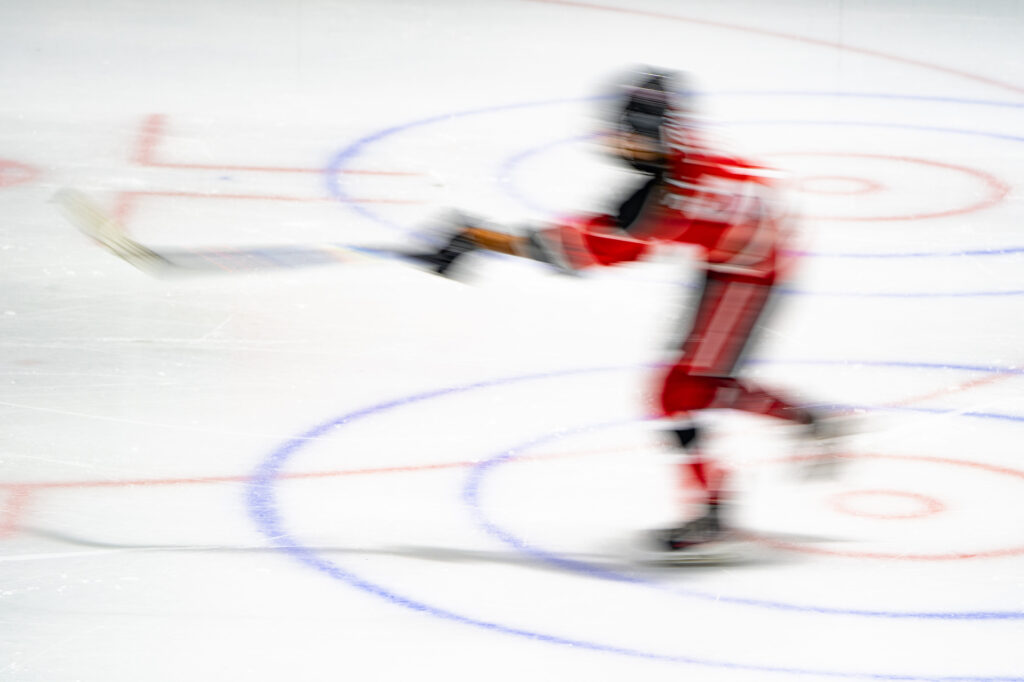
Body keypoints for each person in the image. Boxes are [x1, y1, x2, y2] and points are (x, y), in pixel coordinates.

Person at [410, 67, 835, 557]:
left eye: (629, 134)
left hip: (753, 268)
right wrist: (480, 238)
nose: (619, 142)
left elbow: (578, 251)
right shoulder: (676, 166)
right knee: (692, 386)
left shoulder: (665, 197)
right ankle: (800, 426)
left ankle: (719, 504)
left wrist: (478, 238)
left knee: (682, 390)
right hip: (743, 253)